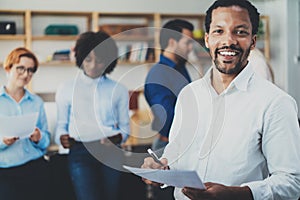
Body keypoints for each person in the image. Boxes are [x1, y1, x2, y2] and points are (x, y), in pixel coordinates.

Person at [142, 0, 300, 200]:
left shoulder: (276, 103)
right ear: (207, 39)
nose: (229, 40)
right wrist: (161, 166)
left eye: (240, 32)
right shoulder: (189, 94)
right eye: (219, 31)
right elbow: (176, 153)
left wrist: (237, 194)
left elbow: (291, 183)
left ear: (253, 41)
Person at [55, 31, 130, 200]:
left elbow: (125, 128)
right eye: (88, 59)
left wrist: (118, 138)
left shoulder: (118, 89)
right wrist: (61, 137)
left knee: (111, 196)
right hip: (79, 152)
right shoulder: (66, 88)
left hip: (110, 152)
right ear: (80, 58)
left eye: (100, 60)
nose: (93, 65)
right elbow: (61, 125)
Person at [0, 47, 51, 200]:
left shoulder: (37, 102)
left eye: (30, 70)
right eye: (20, 68)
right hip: (5, 171)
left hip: (35, 167)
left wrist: (39, 137)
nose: (25, 74)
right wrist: (2, 141)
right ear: (8, 68)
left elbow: (46, 140)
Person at [144, 19, 194, 156]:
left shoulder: (180, 68)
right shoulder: (158, 74)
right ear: (172, 42)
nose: (191, 48)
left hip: (184, 143)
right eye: (188, 42)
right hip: (168, 145)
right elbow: (166, 118)